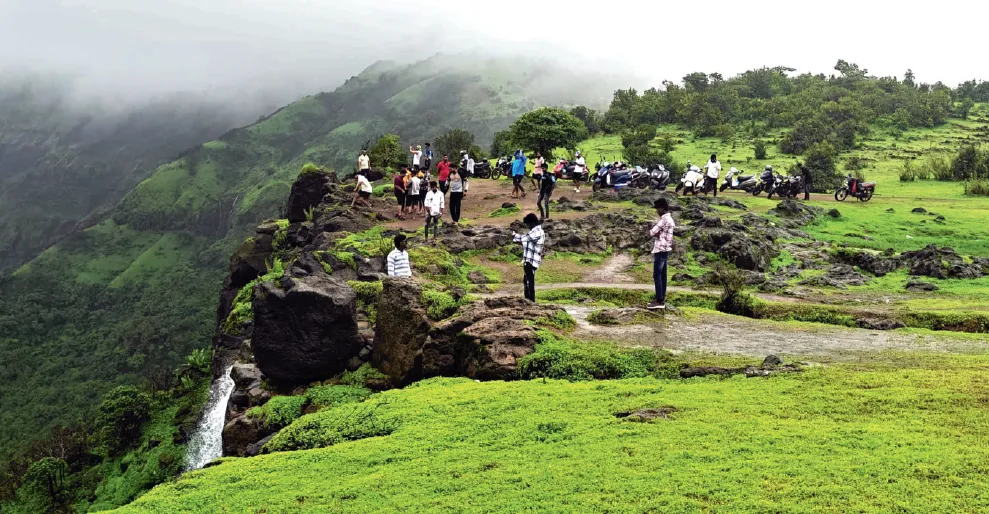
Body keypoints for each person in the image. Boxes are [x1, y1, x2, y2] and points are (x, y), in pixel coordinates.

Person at [648, 198, 676, 310]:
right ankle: (661, 299)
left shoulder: (664, 220)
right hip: (666, 249)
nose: (657, 211)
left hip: (659, 249)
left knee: (657, 275)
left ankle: (659, 300)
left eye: (658, 209)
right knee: (663, 275)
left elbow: (652, 232)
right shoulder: (670, 219)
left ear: (663, 209)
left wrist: (656, 232)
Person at [512, 213, 545, 303]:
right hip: (529, 261)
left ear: (532, 223)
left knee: (529, 282)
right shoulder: (534, 232)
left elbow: (524, 238)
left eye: (528, 224)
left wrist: (514, 235)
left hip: (531, 261)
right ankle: (529, 301)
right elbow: (523, 241)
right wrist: (515, 238)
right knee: (527, 281)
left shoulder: (537, 232)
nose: (527, 226)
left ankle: (531, 301)